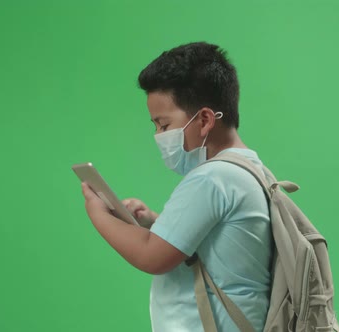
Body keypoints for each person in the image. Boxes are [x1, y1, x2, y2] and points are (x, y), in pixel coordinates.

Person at [81, 41, 273, 332]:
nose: (159, 135)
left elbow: (152, 256)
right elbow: (217, 250)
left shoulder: (211, 178)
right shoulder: (250, 169)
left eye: (164, 125)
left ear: (205, 119)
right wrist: (156, 223)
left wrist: (97, 213)